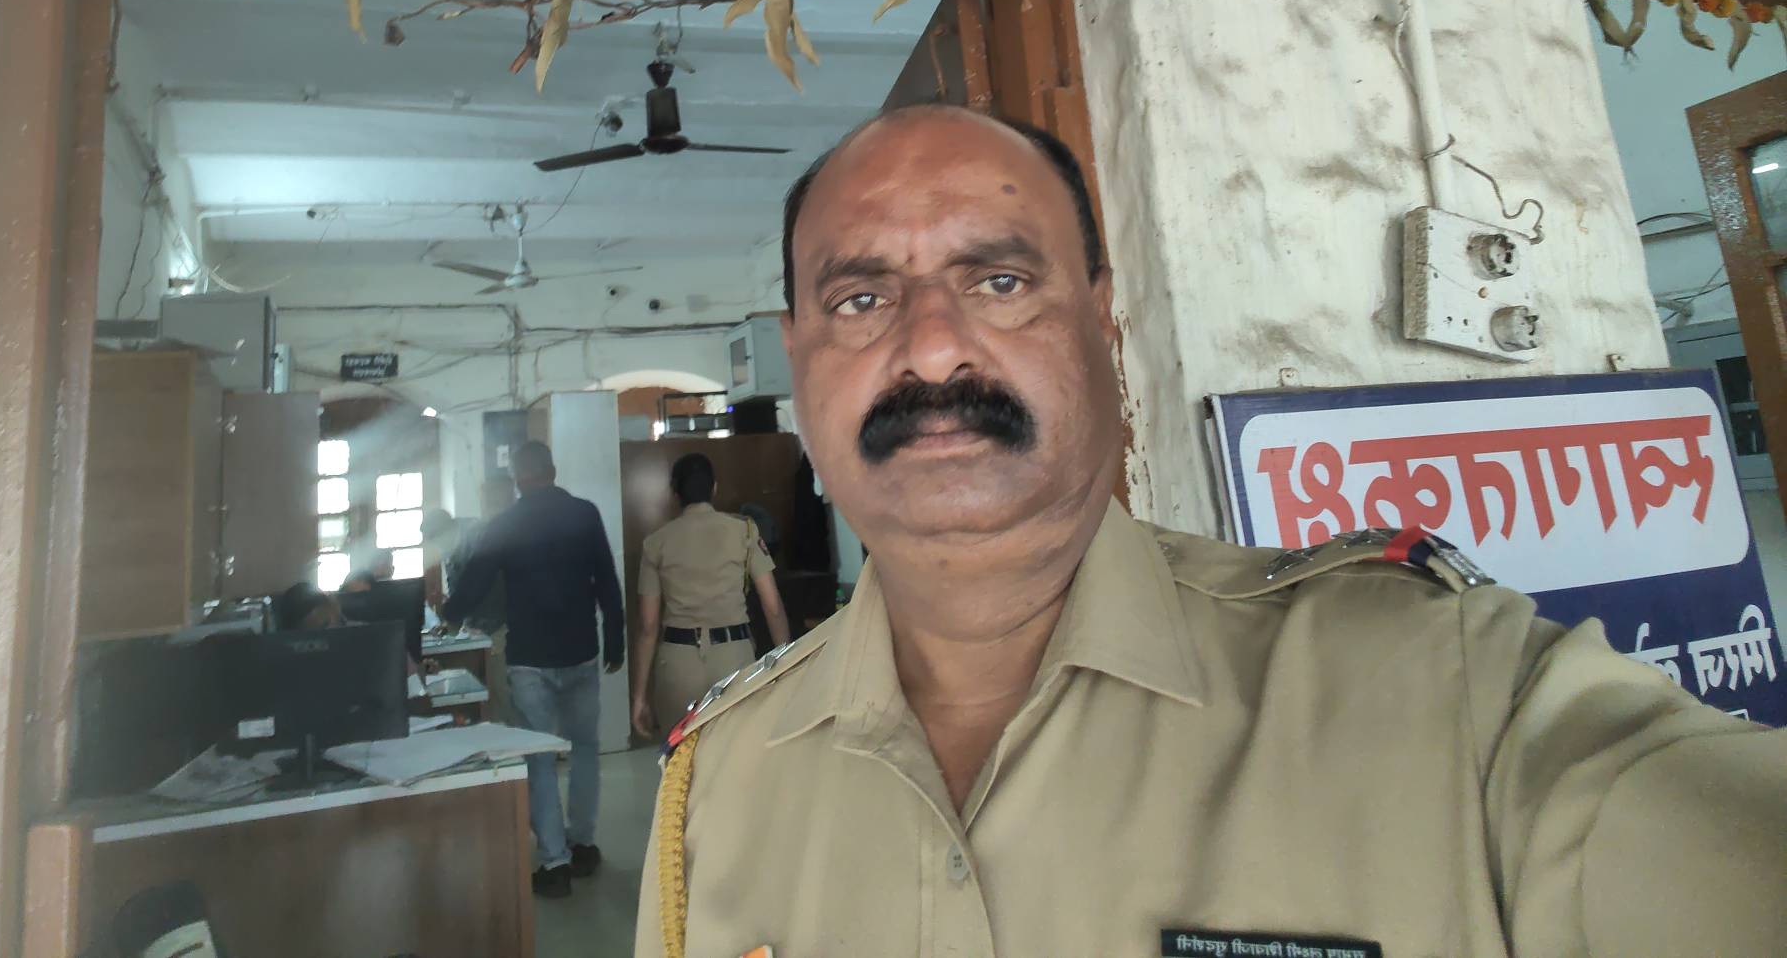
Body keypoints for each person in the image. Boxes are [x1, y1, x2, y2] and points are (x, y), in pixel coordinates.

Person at [635, 106, 1787, 957]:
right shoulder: (717, 785)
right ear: (800, 359)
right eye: (861, 299)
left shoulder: (1446, 692)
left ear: (1102, 325)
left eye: (999, 282)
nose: (932, 347)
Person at [442, 441, 624, 900]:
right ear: (553, 471)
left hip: (529, 659)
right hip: (582, 650)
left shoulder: (506, 523)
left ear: (519, 479)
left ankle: (555, 862)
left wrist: (447, 614)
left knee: (539, 757)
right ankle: (583, 844)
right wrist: (616, 640)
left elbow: (475, 581)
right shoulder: (584, 514)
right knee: (585, 749)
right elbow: (607, 579)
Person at [630, 452, 791, 741]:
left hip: (678, 664)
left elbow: (648, 626)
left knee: (682, 758)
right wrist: (785, 666)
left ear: (674, 493)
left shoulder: (656, 543)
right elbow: (773, 607)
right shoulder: (744, 532)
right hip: (734, 658)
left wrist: (639, 696)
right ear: (714, 488)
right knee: (734, 753)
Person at [443, 470, 518, 718]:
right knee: (491, 698)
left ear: (509, 495)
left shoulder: (517, 530)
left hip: (505, 627)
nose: (490, 502)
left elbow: (484, 585)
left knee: (505, 698)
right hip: (481, 627)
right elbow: (465, 581)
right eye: (487, 496)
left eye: (496, 496)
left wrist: (453, 614)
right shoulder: (475, 532)